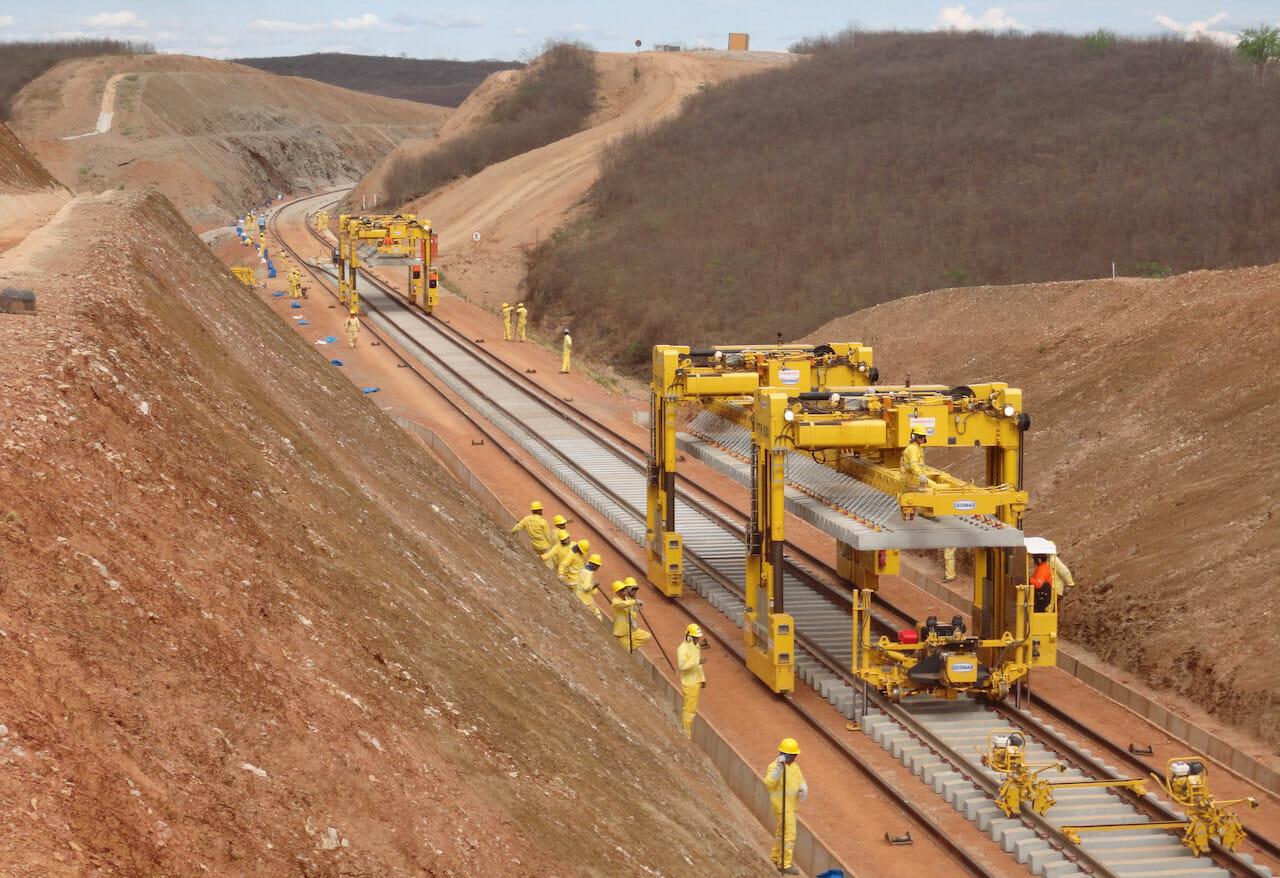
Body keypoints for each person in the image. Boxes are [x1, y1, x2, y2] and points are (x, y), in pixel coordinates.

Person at [763, 738, 808, 874]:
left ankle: (776, 856)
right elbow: (769, 783)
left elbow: (799, 778)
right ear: (787, 755)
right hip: (782, 807)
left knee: (781, 832)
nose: (796, 757)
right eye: (794, 755)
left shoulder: (793, 766)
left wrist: (803, 785)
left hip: (790, 805)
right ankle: (785, 863)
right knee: (789, 835)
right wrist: (778, 769)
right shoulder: (775, 767)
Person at [676, 623, 707, 739]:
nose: (699, 639)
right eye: (696, 637)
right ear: (689, 637)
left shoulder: (696, 646)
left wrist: (702, 679)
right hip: (690, 683)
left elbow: (697, 663)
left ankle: (686, 733)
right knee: (689, 712)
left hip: (695, 681)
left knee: (691, 711)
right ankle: (686, 735)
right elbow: (682, 666)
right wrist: (697, 662)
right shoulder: (682, 649)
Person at [611, 579, 651, 651]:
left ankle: (629, 647)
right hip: (622, 632)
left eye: (624, 589)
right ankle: (627, 648)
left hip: (631, 630)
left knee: (647, 636)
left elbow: (632, 614)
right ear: (617, 592)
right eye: (622, 590)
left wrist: (637, 607)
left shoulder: (627, 600)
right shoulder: (615, 601)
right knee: (625, 650)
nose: (624, 591)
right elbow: (622, 604)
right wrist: (634, 601)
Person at [574, 554, 605, 621]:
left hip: (580, 595)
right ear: (594, 565)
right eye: (598, 565)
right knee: (596, 615)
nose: (598, 567)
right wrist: (594, 585)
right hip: (585, 599)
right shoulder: (588, 573)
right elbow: (586, 587)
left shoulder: (584, 570)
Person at [901, 423, 929, 490]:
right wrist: (921, 475)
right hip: (910, 477)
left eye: (923, 436)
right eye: (920, 436)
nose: (922, 438)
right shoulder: (912, 448)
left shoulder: (918, 448)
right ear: (914, 437)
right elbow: (913, 464)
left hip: (914, 476)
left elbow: (919, 465)